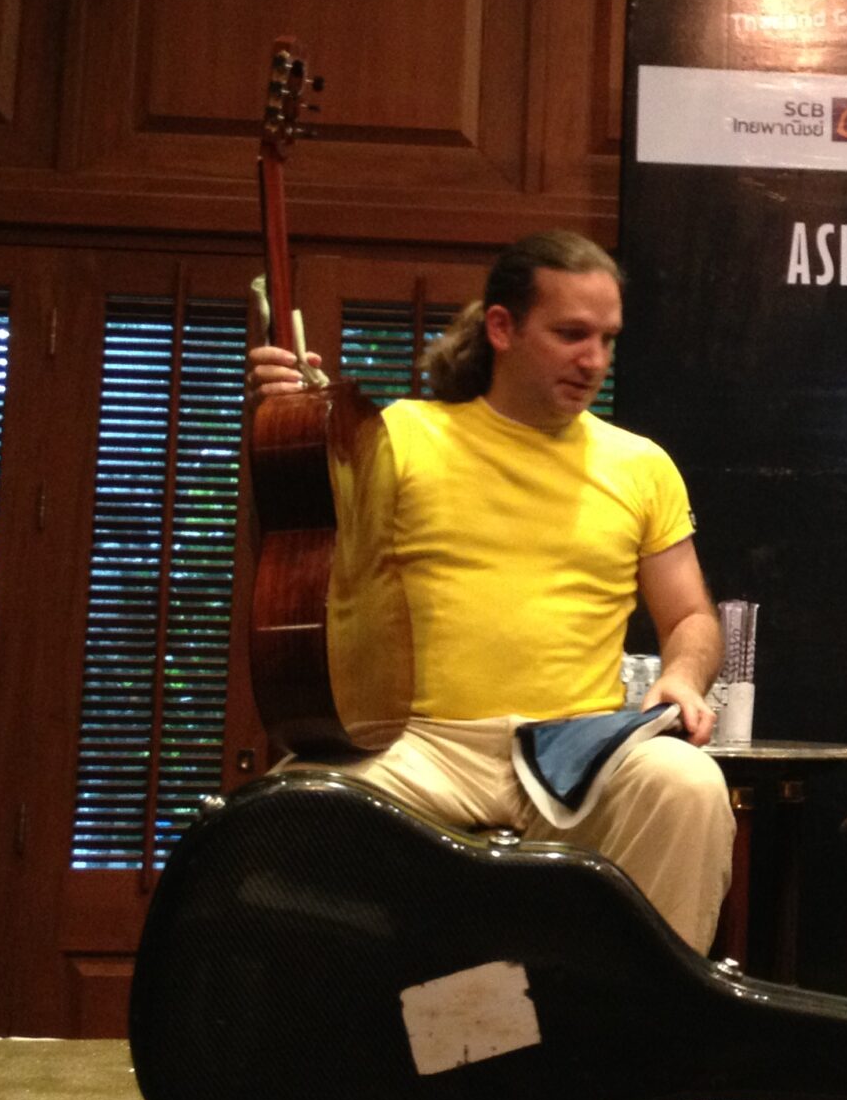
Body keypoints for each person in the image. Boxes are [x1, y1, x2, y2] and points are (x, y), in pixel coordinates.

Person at [250, 230, 734, 949]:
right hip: (418, 746)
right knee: (291, 813)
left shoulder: (641, 465)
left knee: (687, 784)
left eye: (607, 339)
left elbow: (690, 614)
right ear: (503, 328)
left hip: (573, 751)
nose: (594, 360)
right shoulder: (402, 435)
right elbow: (298, 549)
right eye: (571, 334)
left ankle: (638, 1011)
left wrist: (683, 678)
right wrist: (279, 420)